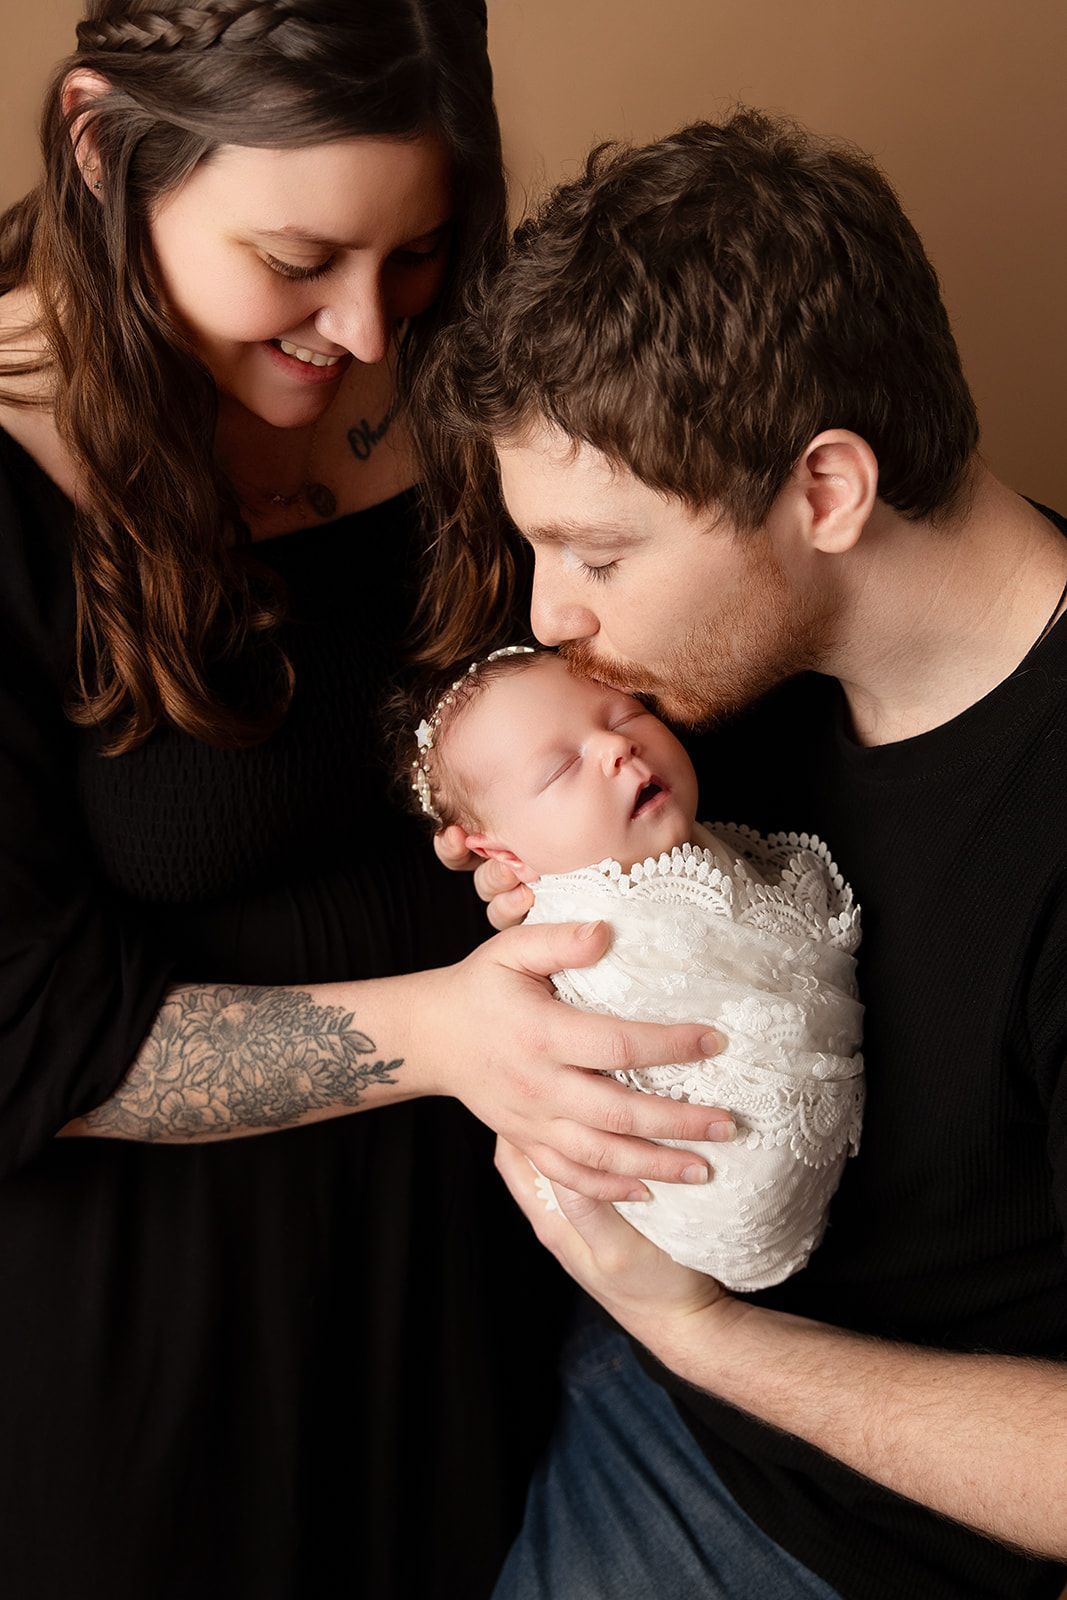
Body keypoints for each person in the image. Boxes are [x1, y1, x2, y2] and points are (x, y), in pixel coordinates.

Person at [0, 6, 739, 1597]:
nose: (367, 332)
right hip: (174, 1379)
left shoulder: (476, 360)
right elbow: (22, 1034)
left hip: (501, 1321)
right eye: (296, 259)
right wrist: (458, 1033)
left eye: (413, 255)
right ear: (95, 143)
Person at [424, 110, 1067, 1600]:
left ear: (824, 491)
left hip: (815, 1523)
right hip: (616, 1362)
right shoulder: (728, 672)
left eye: (598, 552)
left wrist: (699, 1335)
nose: (555, 615)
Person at [403, 643, 864, 1289]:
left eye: (623, 717)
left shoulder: (713, 849)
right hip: (691, 1206)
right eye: (562, 768)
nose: (615, 749)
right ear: (503, 852)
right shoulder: (588, 940)